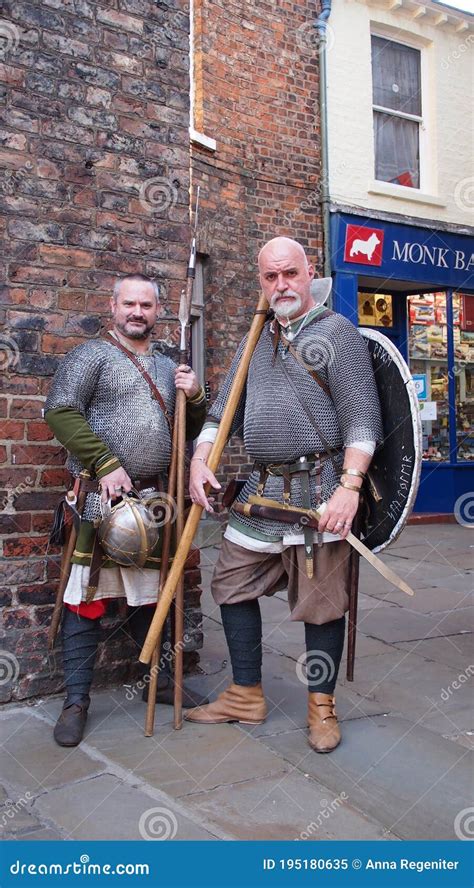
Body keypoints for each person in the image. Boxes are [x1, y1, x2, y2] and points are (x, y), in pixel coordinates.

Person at [186, 237, 382, 753]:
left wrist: (350, 488)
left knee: (321, 604)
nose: (281, 285)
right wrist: (199, 458)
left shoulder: (336, 334)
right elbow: (220, 411)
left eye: (290, 274)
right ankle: (245, 693)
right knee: (230, 585)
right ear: (261, 281)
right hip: (261, 490)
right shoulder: (258, 336)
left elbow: (364, 422)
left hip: (320, 491)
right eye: (271, 277)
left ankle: (322, 707)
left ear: (309, 272)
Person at [44, 273, 208, 746]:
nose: (138, 312)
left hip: (156, 501)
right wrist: (105, 462)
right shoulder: (91, 355)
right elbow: (59, 411)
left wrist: (193, 396)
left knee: (153, 594)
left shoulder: (166, 365)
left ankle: (158, 686)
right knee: (87, 597)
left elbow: (186, 429)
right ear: (113, 307)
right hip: (101, 496)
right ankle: (76, 701)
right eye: (129, 304)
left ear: (158, 312)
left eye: (147, 305)